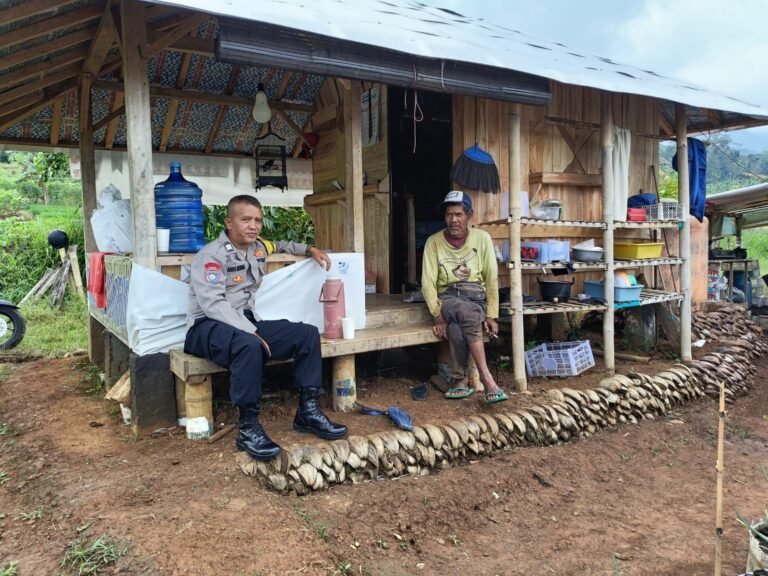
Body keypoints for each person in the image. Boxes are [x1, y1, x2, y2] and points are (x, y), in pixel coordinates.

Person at [185, 195, 348, 460]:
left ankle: (308, 411)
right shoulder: (211, 256)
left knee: (306, 334)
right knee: (249, 345)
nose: (253, 226)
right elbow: (213, 305)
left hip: (244, 322)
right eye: (245, 219)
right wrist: (250, 332)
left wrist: (310, 249)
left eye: (258, 220)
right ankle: (248, 427)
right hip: (207, 327)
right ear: (229, 222)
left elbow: (281, 244)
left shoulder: (258, 247)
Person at [421, 190, 508, 404]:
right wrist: (438, 315)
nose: (454, 220)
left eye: (459, 214)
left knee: (456, 327)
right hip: (449, 298)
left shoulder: (482, 238)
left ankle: (459, 380)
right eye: (449, 214)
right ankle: (487, 379)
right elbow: (427, 283)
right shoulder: (433, 242)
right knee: (467, 313)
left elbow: (491, 278)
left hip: (476, 297)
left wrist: (492, 314)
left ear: (469, 216)